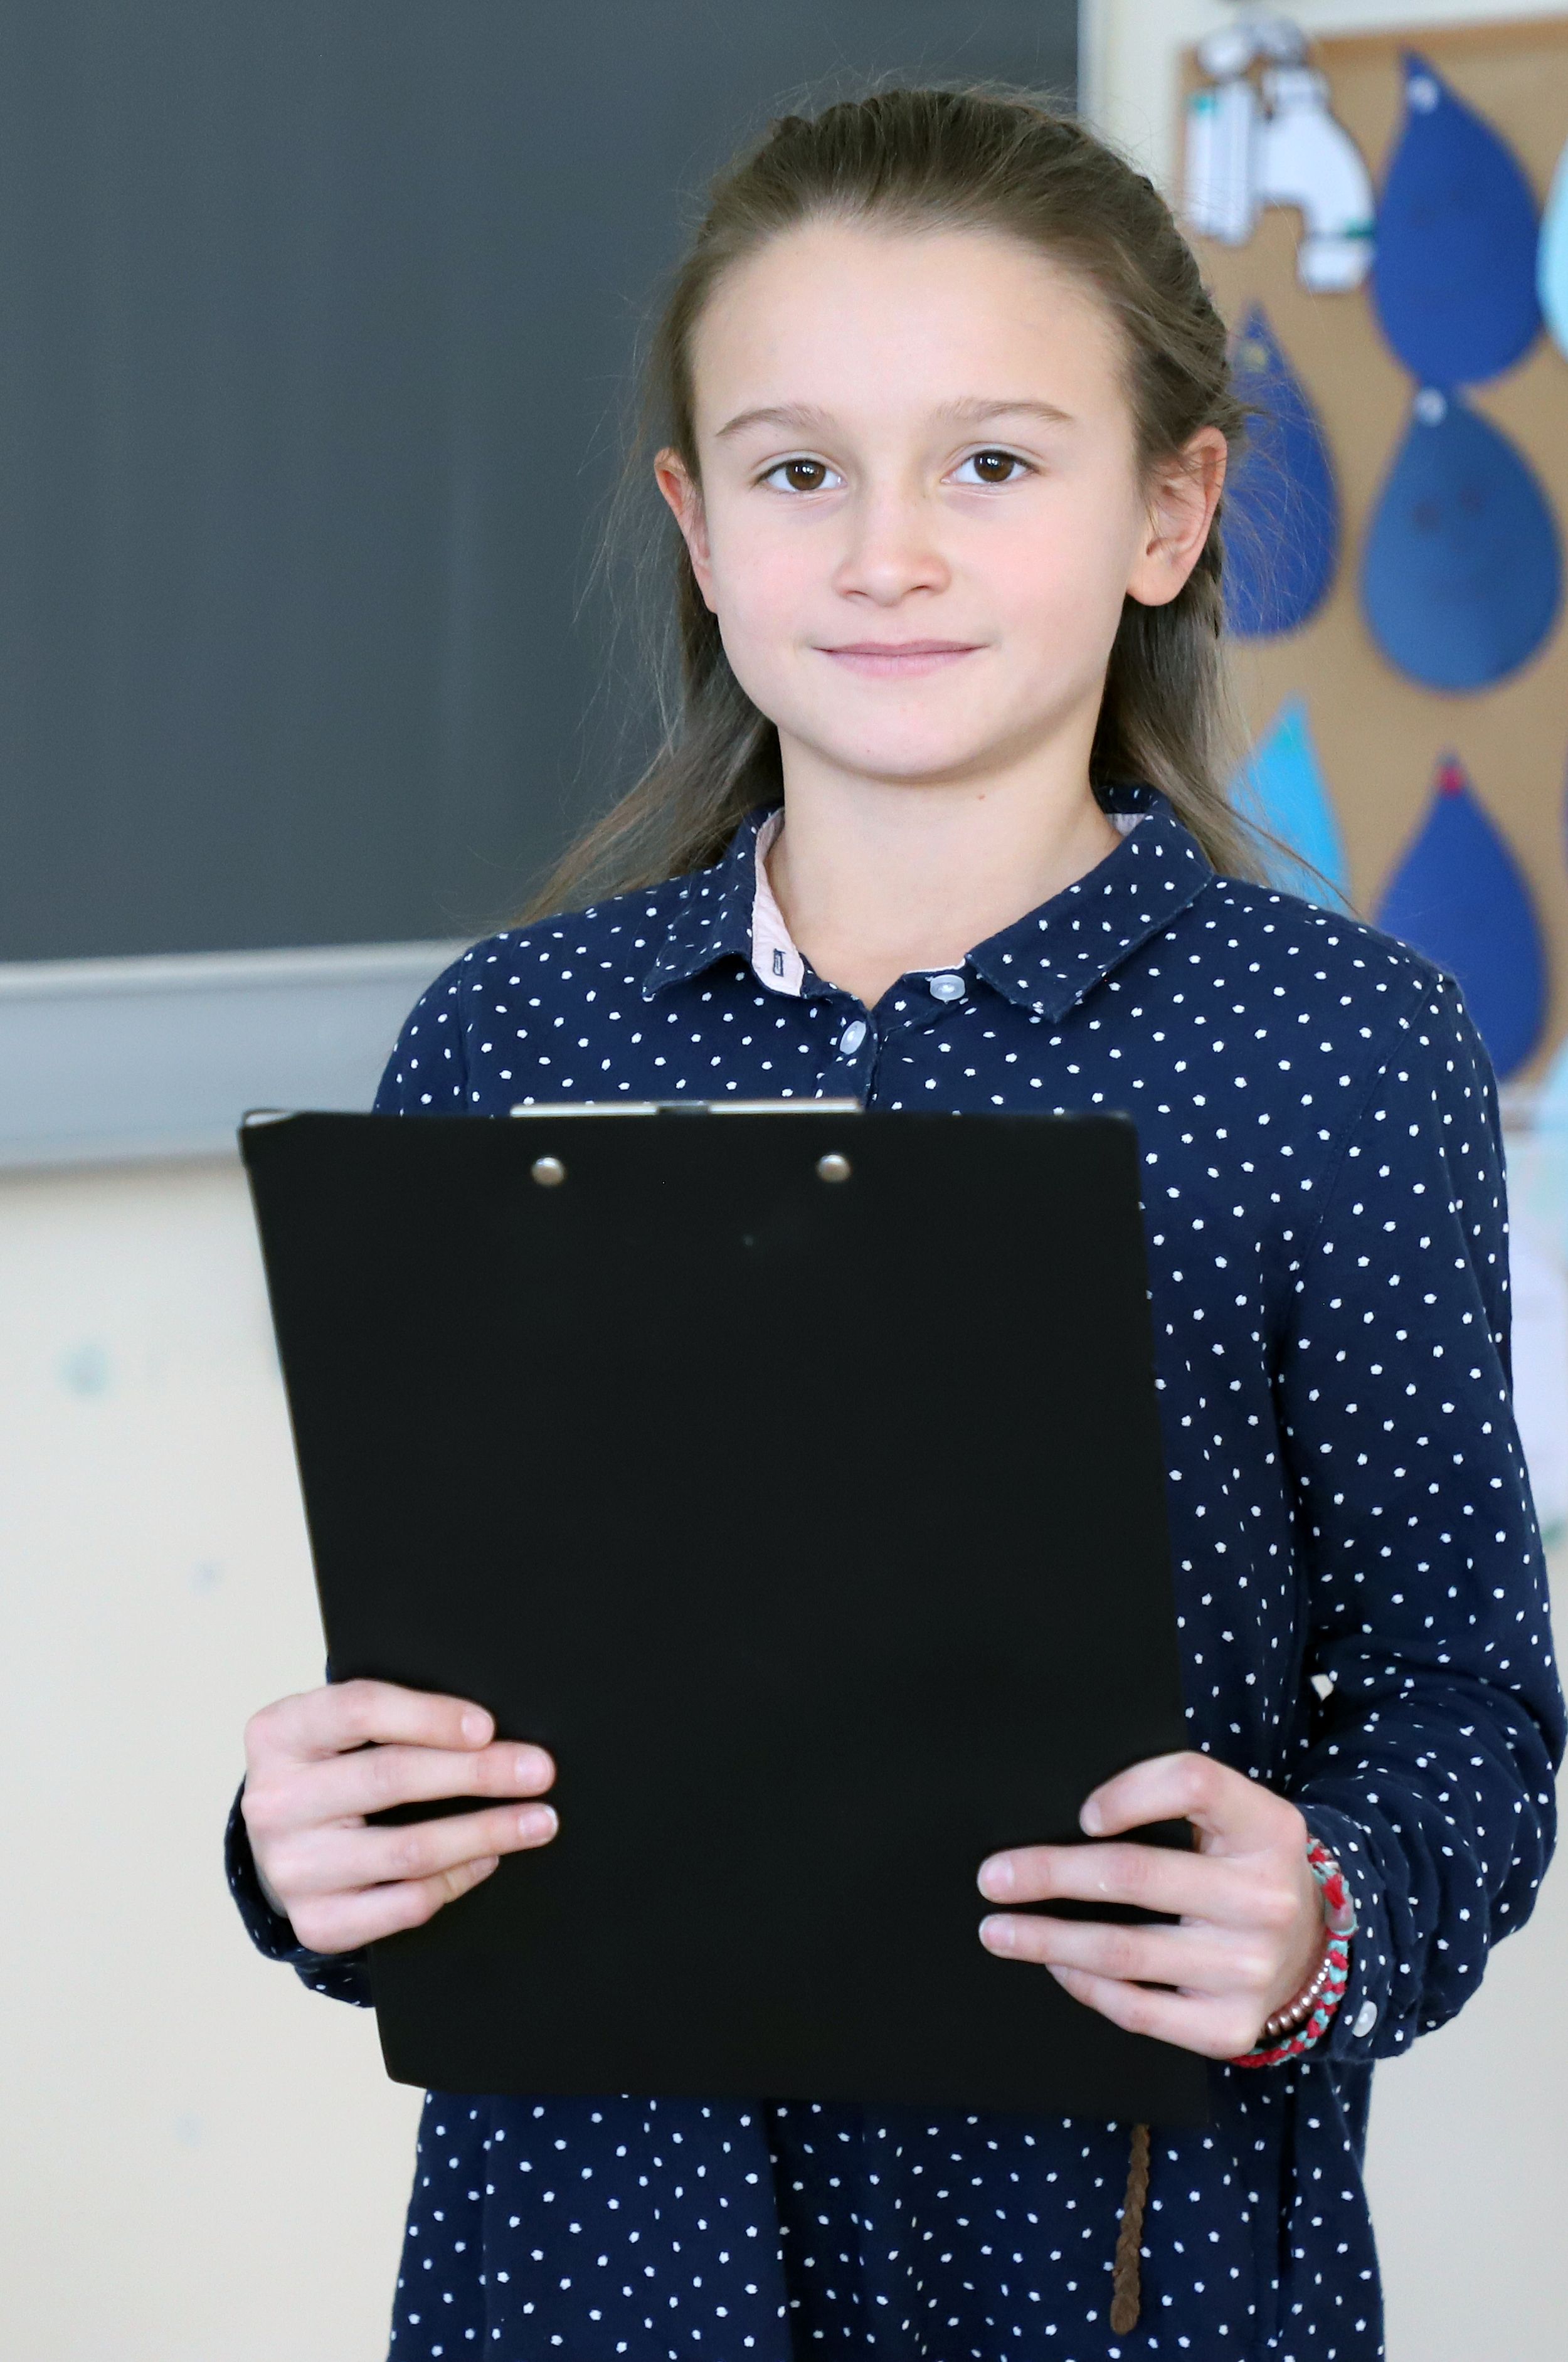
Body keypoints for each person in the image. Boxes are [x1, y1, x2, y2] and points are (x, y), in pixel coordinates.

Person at [227, 86, 1564, 2362]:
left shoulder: (1333, 1047)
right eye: (795, 473)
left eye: (993, 464)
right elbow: (456, 1694)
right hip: (591, 2263)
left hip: (1107, 2267)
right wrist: (307, 1857)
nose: (884, 555)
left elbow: (1462, 1700)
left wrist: (1323, 1922)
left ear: (1169, 511)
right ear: (697, 526)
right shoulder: (510, 1035)